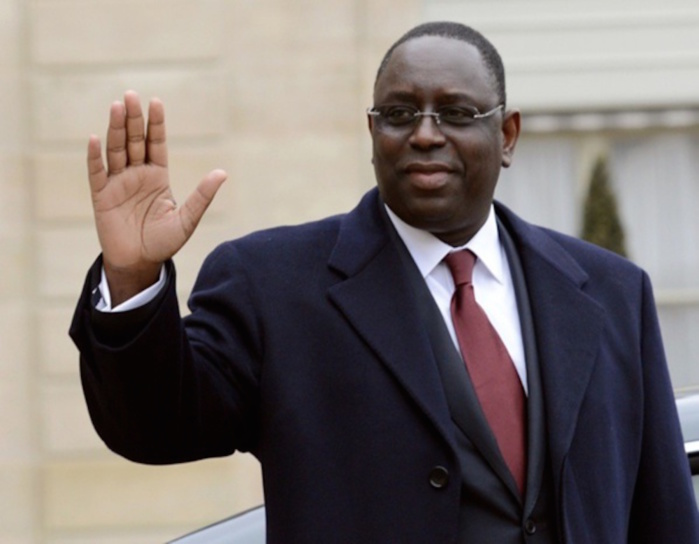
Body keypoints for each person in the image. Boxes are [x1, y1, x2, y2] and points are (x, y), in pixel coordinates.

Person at [70, 21, 699, 543]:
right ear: (373, 134)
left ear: (506, 135)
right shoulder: (272, 285)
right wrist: (133, 275)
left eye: (455, 112)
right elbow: (156, 427)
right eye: (399, 113)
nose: (425, 134)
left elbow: (663, 515)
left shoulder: (612, 292)